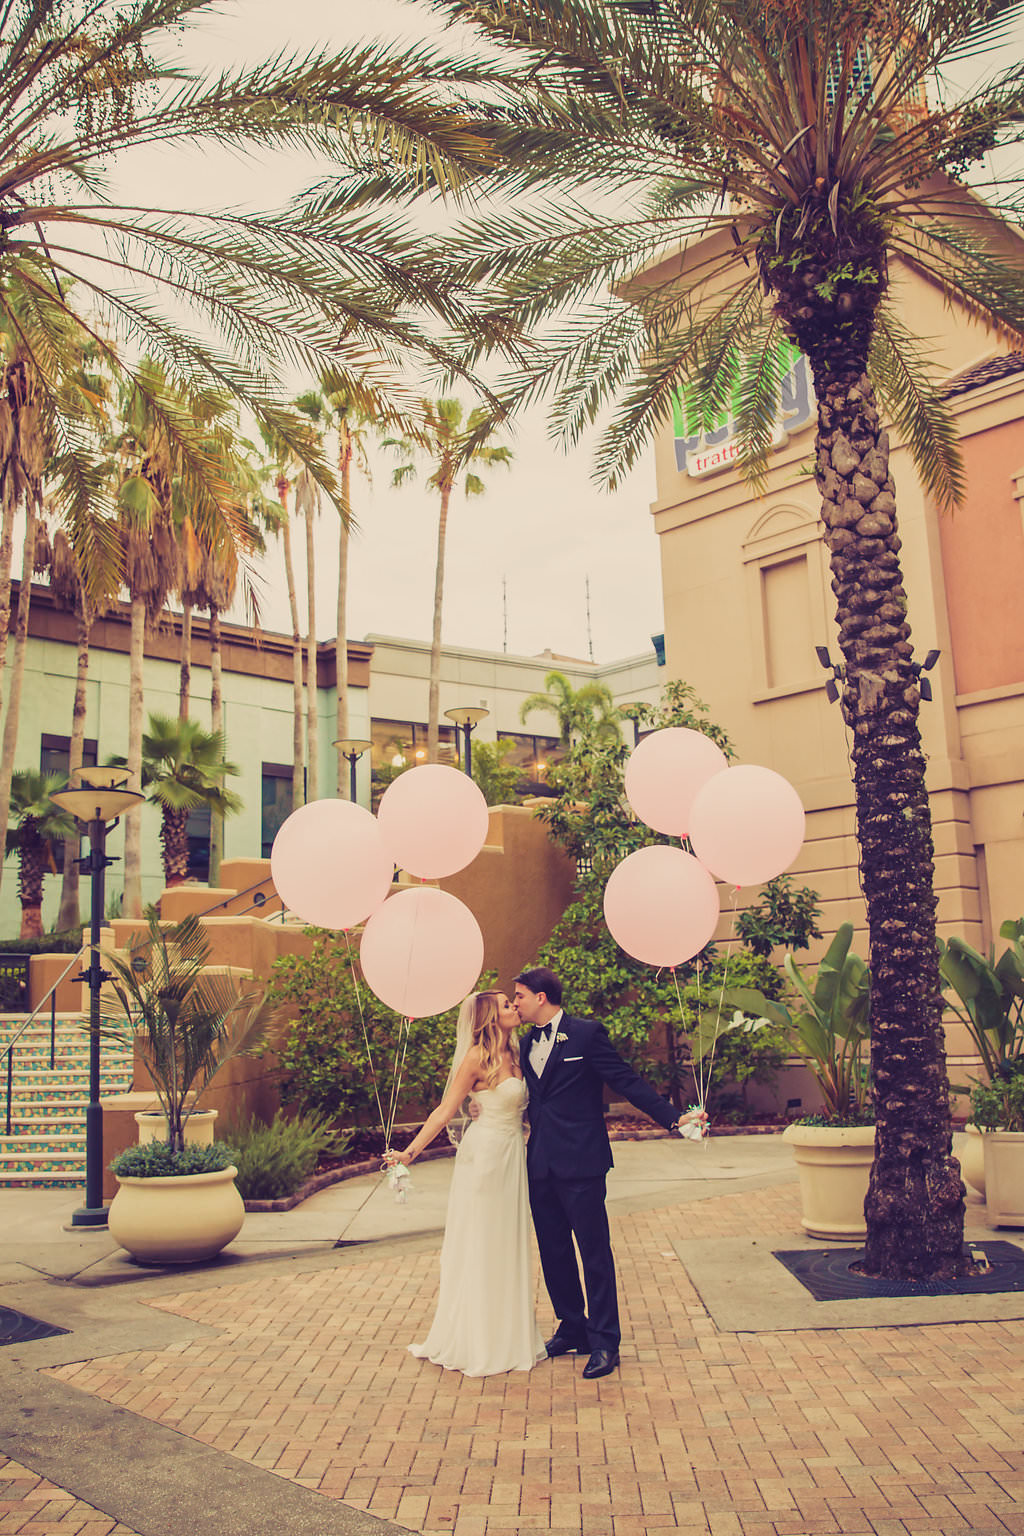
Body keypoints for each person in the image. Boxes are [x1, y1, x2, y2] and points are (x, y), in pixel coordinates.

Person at [514, 965, 707, 1381]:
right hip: (540, 1163)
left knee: (594, 1253)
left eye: (520, 996)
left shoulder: (587, 1034)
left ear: (541, 997)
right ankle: (572, 1327)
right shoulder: (526, 1042)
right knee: (554, 1252)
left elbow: (627, 1082)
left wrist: (676, 1119)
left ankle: (604, 1342)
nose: (516, 1003)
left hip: (583, 1163)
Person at [389, 989, 545, 1378]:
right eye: (507, 1005)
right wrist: (409, 1152)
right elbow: (444, 1110)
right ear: (491, 1016)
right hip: (485, 1159)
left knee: (507, 1242)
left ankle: (509, 1334)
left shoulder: (517, 1051)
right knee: (484, 1242)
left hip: (512, 1155)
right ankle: (479, 1340)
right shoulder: (476, 1058)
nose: (514, 1007)